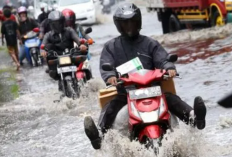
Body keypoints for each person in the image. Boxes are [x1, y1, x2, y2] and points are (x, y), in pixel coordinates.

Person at [84, 3, 207, 149]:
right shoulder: (111, 47)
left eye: (132, 22)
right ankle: (98, 134)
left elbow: (163, 59)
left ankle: (194, 118)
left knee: (172, 100)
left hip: (153, 90)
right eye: (125, 23)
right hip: (126, 92)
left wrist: (169, 67)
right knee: (110, 107)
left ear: (139, 22)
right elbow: (106, 64)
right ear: (119, 25)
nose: (129, 26)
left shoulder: (150, 44)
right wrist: (110, 76)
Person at [40, 10, 88, 81]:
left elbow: (77, 39)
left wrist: (81, 45)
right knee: (51, 69)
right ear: (51, 24)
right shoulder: (48, 35)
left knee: (83, 63)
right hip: (57, 57)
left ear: (63, 21)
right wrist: (43, 51)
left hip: (71, 55)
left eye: (59, 22)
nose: (58, 25)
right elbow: (42, 45)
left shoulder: (69, 30)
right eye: (55, 23)